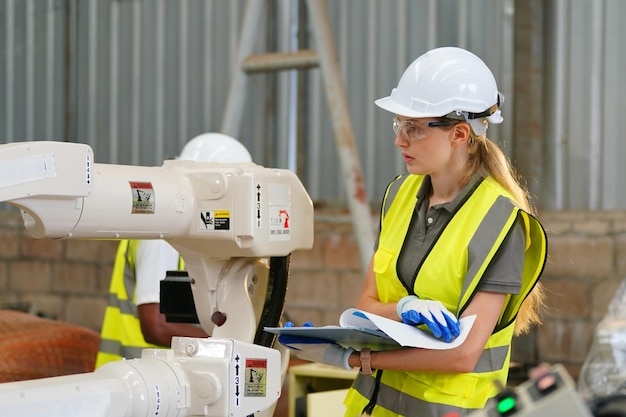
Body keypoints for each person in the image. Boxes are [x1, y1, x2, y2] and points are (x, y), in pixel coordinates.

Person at [281, 47, 547, 416]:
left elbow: (462, 354)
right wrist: (404, 308)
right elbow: (365, 307)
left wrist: (361, 360)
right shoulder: (400, 195)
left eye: (415, 128)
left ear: (459, 133)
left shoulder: (502, 222)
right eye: (399, 124)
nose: (399, 140)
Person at [95, 133, 253, 368]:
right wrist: (226, 348)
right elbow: (156, 326)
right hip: (137, 378)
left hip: (160, 380)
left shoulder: (192, 233)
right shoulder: (161, 234)